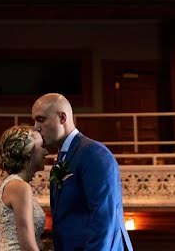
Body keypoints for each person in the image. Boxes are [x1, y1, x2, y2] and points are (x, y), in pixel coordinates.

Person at [32, 93, 133, 251]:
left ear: (62, 118)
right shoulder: (61, 159)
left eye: (41, 119)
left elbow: (104, 219)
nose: (36, 127)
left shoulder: (93, 153)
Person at [0, 124, 48, 251]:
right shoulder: (19, 187)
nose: (46, 152)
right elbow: (27, 247)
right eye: (42, 146)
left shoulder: (14, 185)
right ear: (29, 152)